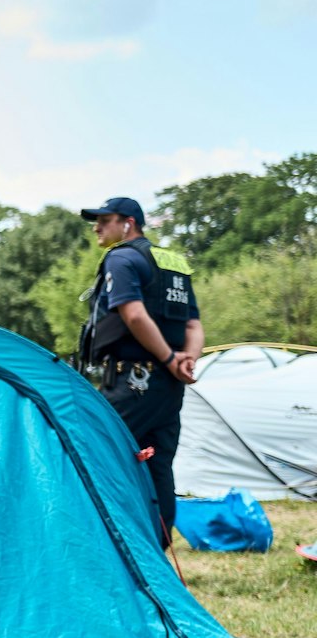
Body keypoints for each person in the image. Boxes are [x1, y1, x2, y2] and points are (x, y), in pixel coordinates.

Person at [77, 195, 202, 547]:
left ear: (127, 223)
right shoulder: (173, 262)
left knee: (100, 452)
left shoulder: (122, 258)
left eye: (105, 220)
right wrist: (184, 361)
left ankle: (109, 546)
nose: (97, 227)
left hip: (133, 379)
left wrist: (166, 358)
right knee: (158, 463)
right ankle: (157, 548)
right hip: (169, 384)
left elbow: (133, 315)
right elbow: (193, 324)